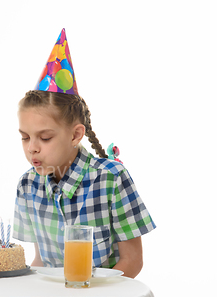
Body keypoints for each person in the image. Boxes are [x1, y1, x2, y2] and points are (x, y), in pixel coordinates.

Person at [13, 29, 155, 278]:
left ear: (76, 135)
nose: (31, 147)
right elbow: (41, 261)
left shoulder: (110, 178)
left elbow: (132, 261)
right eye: (25, 137)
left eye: (45, 138)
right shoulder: (28, 184)